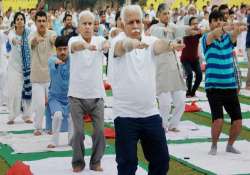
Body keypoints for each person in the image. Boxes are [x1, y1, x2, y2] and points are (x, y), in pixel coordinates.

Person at [110, 4, 184, 175]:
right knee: (127, 164)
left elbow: (159, 46)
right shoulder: (117, 41)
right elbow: (123, 46)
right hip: (125, 116)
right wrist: (133, 44)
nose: (136, 25)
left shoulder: (149, 41)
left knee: (161, 161)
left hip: (150, 114)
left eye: (138, 21)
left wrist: (171, 44)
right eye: (131, 22)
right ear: (122, 24)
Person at [68, 10, 109, 173]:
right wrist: (86, 46)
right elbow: (76, 47)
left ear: (94, 26)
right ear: (79, 26)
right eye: (84, 24)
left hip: (97, 95)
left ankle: (95, 161)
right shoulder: (73, 40)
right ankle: (78, 162)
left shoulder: (99, 40)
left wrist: (106, 45)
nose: (87, 27)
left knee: (99, 131)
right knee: (78, 133)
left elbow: (106, 45)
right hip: (76, 95)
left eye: (90, 24)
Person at [201, 10, 247, 155]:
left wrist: (238, 29)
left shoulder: (228, 38)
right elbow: (214, 34)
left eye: (221, 20)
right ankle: (214, 145)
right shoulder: (206, 38)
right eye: (215, 20)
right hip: (213, 86)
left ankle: (229, 145)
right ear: (210, 23)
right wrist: (225, 27)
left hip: (230, 86)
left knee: (238, 121)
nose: (218, 22)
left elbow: (233, 35)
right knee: (218, 120)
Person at [150, 3, 186, 132]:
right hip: (161, 69)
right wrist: (169, 31)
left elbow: (180, 33)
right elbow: (158, 32)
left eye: (168, 13)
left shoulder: (173, 26)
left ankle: (173, 124)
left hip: (175, 68)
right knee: (164, 104)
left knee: (181, 100)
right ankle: (162, 126)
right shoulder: (154, 28)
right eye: (164, 13)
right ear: (159, 14)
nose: (167, 16)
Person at [29, 11, 57, 136]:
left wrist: (52, 39)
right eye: (39, 21)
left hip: (51, 76)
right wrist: (36, 40)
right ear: (35, 22)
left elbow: (54, 40)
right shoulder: (31, 35)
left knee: (52, 105)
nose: (41, 23)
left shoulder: (52, 34)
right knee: (40, 105)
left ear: (47, 22)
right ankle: (38, 128)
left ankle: (50, 127)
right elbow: (32, 42)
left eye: (43, 21)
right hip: (36, 77)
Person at [6, 12, 33, 124]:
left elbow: (34, 40)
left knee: (27, 90)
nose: (20, 21)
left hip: (26, 67)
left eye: (22, 19)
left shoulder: (29, 33)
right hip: (14, 67)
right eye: (18, 19)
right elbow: (12, 38)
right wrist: (15, 41)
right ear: (15, 22)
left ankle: (27, 115)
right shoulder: (12, 33)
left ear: (24, 21)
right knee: (13, 91)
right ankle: (11, 116)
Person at [46, 36, 72, 148]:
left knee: (73, 116)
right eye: (60, 49)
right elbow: (53, 62)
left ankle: (72, 140)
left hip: (70, 97)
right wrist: (57, 62)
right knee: (57, 115)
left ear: (68, 49)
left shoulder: (73, 59)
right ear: (56, 50)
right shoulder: (52, 59)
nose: (62, 52)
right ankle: (54, 141)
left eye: (65, 49)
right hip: (55, 97)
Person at [181, 16, 203, 98]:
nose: (195, 25)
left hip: (195, 59)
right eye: (193, 24)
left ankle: (193, 92)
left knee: (200, 75)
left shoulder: (198, 33)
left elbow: (204, 31)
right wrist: (199, 31)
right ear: (189, 25)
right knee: (189, 74)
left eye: (196, 23)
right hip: (185, 59)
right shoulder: (186, 32)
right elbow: (191, 32)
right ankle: (188, 92)